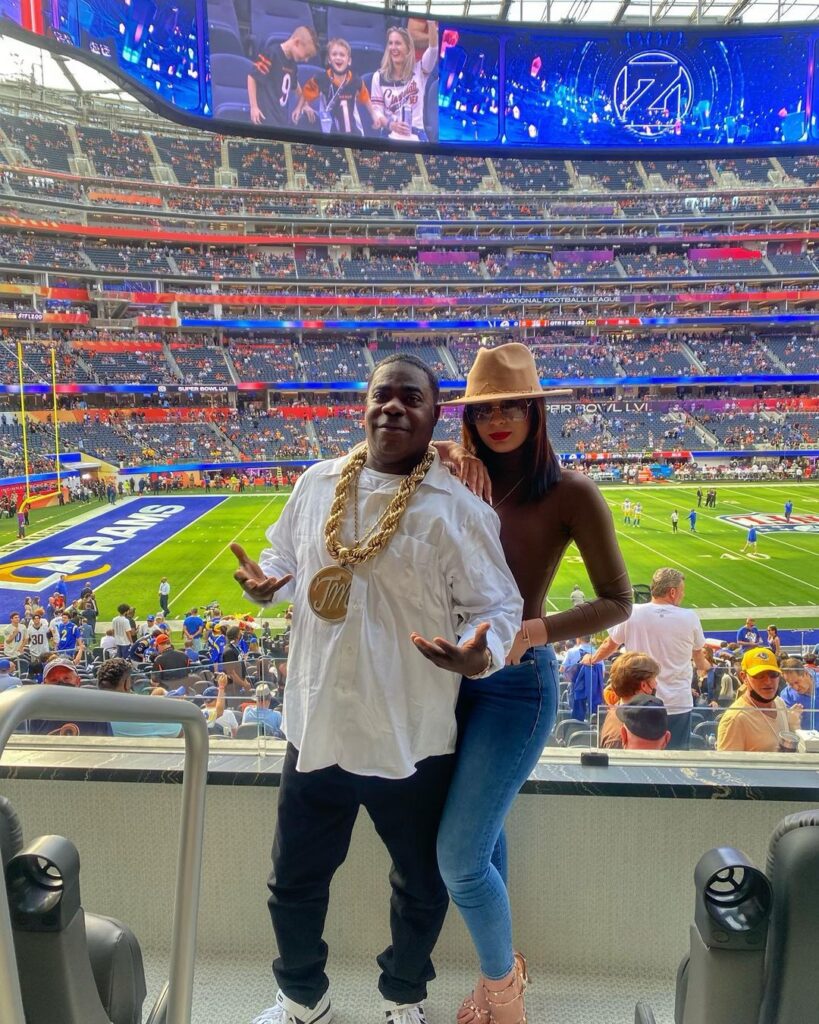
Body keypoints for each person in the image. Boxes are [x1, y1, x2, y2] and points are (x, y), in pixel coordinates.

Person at [233, 353, 522, 1024]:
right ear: (363, 406)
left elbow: (499, 609)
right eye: (381, 396)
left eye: (410, 399)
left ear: (433, 416)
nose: (392, 407)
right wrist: (265, 580)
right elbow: (285, 554)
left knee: (420, 887)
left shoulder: (456, 509)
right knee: (293, 882)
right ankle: (303, 998)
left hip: (409, 733)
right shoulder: (314, 483)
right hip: (316, 725)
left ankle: (402, 999)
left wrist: (479, 655)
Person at [434, 342, 631, 1024]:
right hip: (445, 683)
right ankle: (501, 968)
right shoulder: (449, 478)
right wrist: (437, 455)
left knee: (458, 856)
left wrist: (533, 630)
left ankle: (501, 991)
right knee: (480, 841)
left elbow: (617, 600)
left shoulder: (568, 492)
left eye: (512, 404)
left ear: (535, 410)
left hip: (516, 687)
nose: (497, 419)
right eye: (483, 408)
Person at [583, 567, 709, 750]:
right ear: (672, 592)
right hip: (676, 703)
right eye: (682, 591)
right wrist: (706, 666)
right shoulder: (690, 617)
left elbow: (610, 644)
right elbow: (699, 656)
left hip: (637, 703)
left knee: (636, 760)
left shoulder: (632, 612)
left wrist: (592, 659)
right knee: (675, 761)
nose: (682, 596)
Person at [294, 38, 385, 135]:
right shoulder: (321, 78)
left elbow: (365, 99)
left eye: (342, 55)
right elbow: (306, 93)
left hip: (352, 132)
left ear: (349, 61)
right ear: (329, 60)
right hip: (330, 132)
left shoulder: (356, 80)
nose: (338, 57)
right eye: (334, 54)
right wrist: (302, 107)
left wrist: (374, 115)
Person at [717, 648, 800, 753]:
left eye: (773, 674)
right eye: (759, 675)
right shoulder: (735, 719)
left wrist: (793, 725)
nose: (768, 681)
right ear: (744, 677)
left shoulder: (779, 703)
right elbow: (728, 768)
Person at [370, 23, 438, 142]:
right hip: (390, 133)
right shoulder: (378, 77)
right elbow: (377, 111)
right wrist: (391, 125)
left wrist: (431, 23)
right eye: (390, 43)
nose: (393, 47)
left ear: (408, 48)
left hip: (416, 134)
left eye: (398, 43)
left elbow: (433, 50)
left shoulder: (420, 70)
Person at [248, 26, 319, 128]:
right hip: (265, 117)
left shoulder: (292, 64)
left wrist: (304, 105)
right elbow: (252, 77)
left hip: (281, 119)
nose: (306, 60)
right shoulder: (271, 53)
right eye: (306, 55)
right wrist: (254, 107)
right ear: (297, 42)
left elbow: (295, 85)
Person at [97, 658, 182, 738]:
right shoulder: (140, 715)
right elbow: (180, 730)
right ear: (126, 684)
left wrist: (157, 693)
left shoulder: (94, 712)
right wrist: (179, 707)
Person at [598, 652, 660, 748]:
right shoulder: (619, 736)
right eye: (654, 679)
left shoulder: (617, 711)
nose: (656, 684)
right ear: (643, 685)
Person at [778, 656, 819, 730]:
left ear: (806, 673)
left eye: (797, 682)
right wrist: (791, 719)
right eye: (790, 684)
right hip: (806, 739)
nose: (795, 688)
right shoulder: (787, 696)